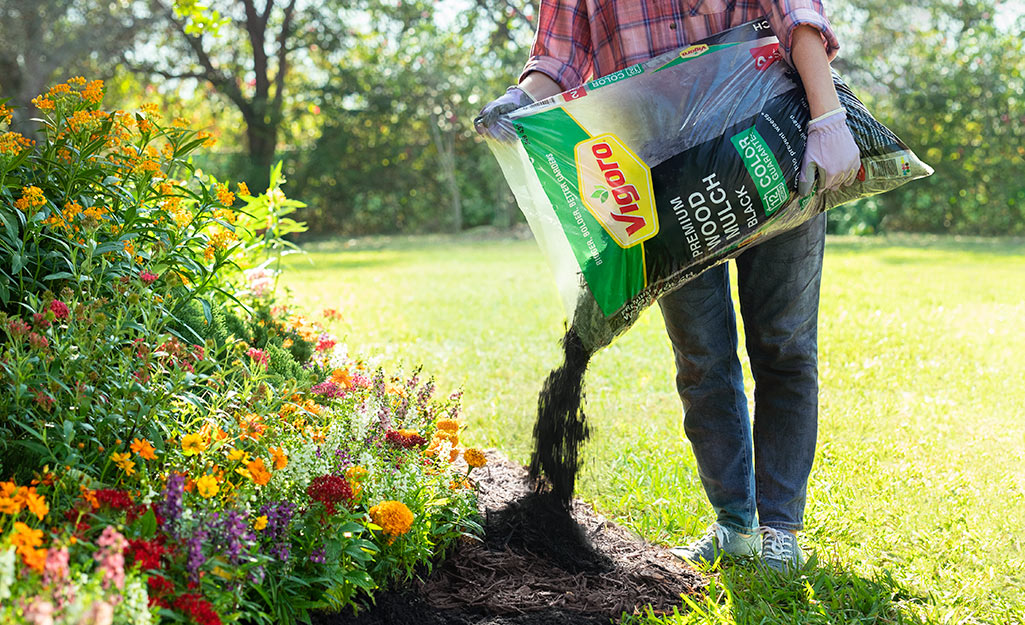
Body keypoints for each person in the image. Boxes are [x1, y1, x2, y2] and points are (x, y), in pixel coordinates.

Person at [474, 1, 860, 572]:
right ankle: (736, 526)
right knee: (702, 356)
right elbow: (558, 56)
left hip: (775, 135)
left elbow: (796, 13)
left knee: (784, 345)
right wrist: (517, 100)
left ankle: (780, 529)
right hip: (658, 169)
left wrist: (827, 115)